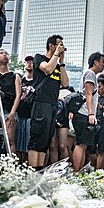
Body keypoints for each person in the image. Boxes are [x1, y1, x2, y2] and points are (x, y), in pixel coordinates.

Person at [28, 34, 68, 170]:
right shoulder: (39, 58)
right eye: (59, 45)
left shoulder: (57, 64)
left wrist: (61, 62)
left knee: (45, 141)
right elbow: (47, 69)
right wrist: (56, 54)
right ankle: (33, 172)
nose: (62, 47)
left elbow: (65, 83)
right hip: (40, 103)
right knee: (36, 140)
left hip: (52, 105)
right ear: (51, 46)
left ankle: (39, 171)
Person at [72, 52, 104, 172]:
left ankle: (79, 172)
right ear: (95, 62)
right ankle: (76, 173)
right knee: (81, 145)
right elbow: (89, 94)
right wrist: (91, 114)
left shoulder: (91, 75)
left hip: (84, 114)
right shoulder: (90, 73)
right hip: (84, 114)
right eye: (102, 62)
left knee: (83, 145)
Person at [0, 49, 21, 156]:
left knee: (10, 140)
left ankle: (11, 167)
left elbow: (18, 95)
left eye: (6, 53)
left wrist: (12, 113)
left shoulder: (15, 76)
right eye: (1, 53)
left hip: (9, 109)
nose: (5, 54)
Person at [15, 55, 33, 163]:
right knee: (18, 142)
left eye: (31, 61)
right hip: (20, 114)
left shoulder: (37, 81)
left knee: (28, 144)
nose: (29, 63)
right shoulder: (20, 80)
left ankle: (27, 165)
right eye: (27, 61)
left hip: (31, 115)